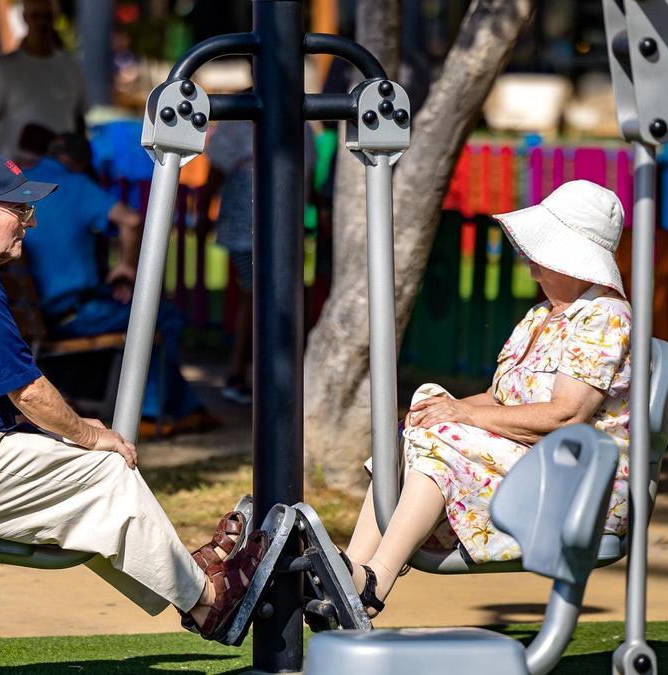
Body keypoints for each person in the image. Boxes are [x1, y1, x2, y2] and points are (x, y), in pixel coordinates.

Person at [0, 152, 264, 638]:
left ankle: (193, 582)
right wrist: (88, 435)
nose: (29, 223)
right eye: (18, 210)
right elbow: (28, 392)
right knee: (105, 469)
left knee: (90, 487)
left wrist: (77, 435)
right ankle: (211, 601)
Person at [341, 181, 633, 617]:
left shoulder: (604, 318)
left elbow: (566, 417)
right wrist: (441, 410)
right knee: (421, 417)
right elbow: (500, 399)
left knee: (440, 435)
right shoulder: (542, 316)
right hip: (528, 463)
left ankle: (373, 581)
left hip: (577, 484)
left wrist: (461, 416)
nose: (531, 261)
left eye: (543, 250)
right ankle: (352, 570)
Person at [21, 132, 216, 436]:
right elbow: (131, 220)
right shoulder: (75, 183)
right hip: (75, 313)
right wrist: (127, 266)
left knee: (146, 318)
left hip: (36, 313)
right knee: (162, 316)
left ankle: (189, 410)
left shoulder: (24, 185)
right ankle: (152, 413)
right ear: (82, 163)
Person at [206, 118, 315, 403]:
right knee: (258, 294)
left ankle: (252, 373)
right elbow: (216, 171)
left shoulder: (292, 113)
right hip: (249, 220)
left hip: (278, 218)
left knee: (266, 295)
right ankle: (241, 373)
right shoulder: (240, 116)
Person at [0, 0, 88, 160]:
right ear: (25, 17)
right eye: (35, 16)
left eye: (47, 16)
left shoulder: (71, 66)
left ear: (55, 17)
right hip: (18, 172)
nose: (42, 22)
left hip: (63, 171)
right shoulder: (4, 68)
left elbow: (79, 118)